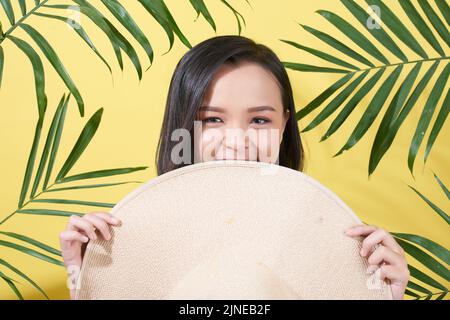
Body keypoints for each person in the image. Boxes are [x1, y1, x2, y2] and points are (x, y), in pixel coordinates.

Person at [59, 35, 409, 300]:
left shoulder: (338, 243)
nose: (237, 140)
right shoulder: (129, 239)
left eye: (259, 119)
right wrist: (87, 281)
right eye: (212, 119)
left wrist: (384, 296)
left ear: (285, 124)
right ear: (183, 125)